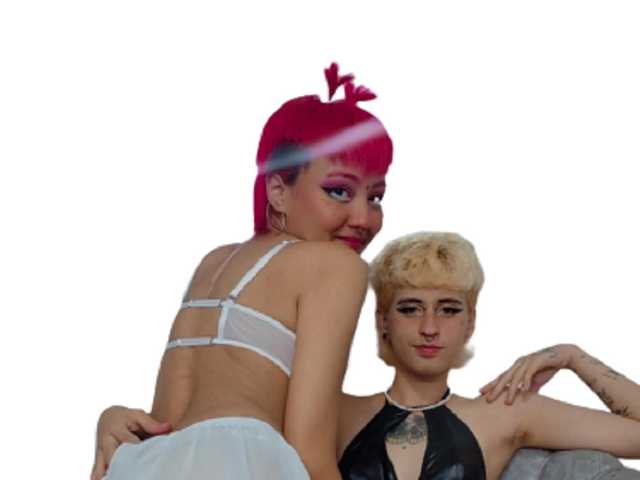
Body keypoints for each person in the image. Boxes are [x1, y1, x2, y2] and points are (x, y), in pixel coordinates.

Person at [95, 231, 640, 480]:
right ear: (381, 322)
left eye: (449, 309)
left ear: (470, 322)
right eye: (410, 308)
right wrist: (116, 421)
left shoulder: (505, 414)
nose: (429, 327)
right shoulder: (326, 413)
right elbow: (204, 430)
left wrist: (570, 356)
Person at [91, 62, 393, 480]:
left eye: (375, 197)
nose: (363, 218)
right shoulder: (336, 266)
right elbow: (309, 450)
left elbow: (169, 424)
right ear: (278, 191)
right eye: (339, 191)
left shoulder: (213, 262)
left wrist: (110, 418)